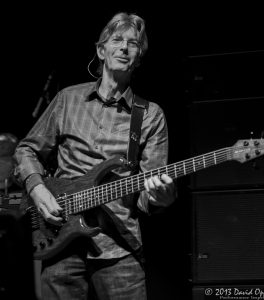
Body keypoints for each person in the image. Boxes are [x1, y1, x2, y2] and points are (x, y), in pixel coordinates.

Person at [14, 11, 175, 300]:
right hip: (59, 239)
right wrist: (37, 188)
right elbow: (27, 149)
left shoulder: (150, 116)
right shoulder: (67, 99)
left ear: (138, 58)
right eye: (117, 40)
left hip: (119, 247)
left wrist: (159, 196)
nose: (124, 48)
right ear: (101, 50)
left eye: (133, 43)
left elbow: (144, 193)